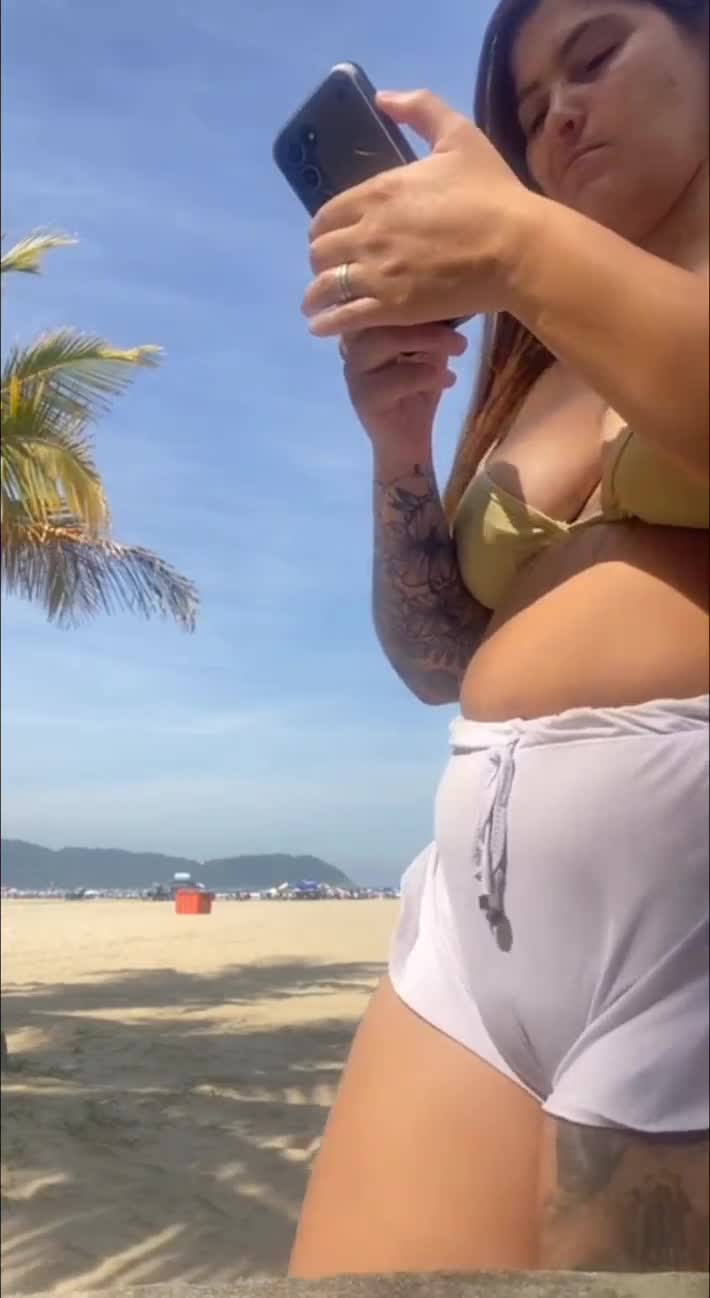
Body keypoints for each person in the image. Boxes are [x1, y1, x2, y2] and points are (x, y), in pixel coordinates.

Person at [289, 0, 709, 1276]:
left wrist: (518, 244)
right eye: (528, 110)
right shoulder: (537, 365)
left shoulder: (544, 271)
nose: (557, 115)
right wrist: (399, 445)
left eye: (592, 58)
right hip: (476, 928)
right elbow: (433, 661)